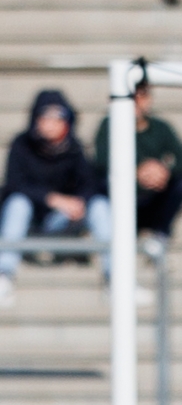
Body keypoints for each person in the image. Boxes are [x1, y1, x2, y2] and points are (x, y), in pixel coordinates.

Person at [0, 90, 110, 308]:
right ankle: (4, 275)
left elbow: (90, 184)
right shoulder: (21, 145)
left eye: (57, 117)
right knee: (17, 204)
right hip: (29, 222)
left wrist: (79, 202)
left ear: (67, 121)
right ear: (35, 119)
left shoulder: (75, 149)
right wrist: (52, 199)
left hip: (62, 221)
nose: (50, 124)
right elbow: (14, 185)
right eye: (45, 117)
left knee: (99, 205)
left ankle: (115, 279)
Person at [92, 81, 182, 248]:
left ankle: (159, 234)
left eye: (142, 96)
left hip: (154, 198)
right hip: (122, 199)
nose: (137, 102)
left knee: (181, 184)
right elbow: (101, 161)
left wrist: (162, 171)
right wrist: (136, 171)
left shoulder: (161, 127)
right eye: (132, 97)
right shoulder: (109, 125)